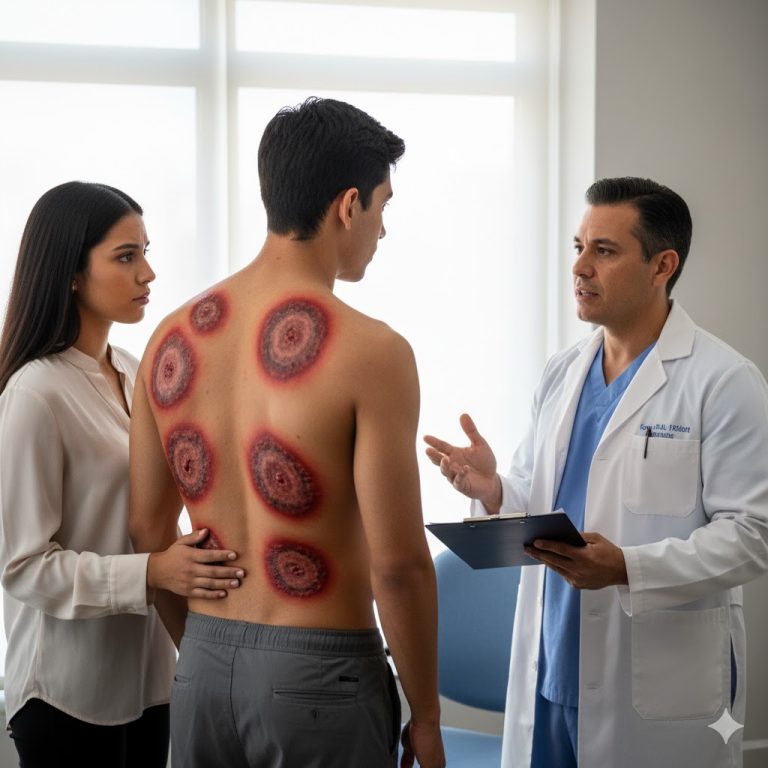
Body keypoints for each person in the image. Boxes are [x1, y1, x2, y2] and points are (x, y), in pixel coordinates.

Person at [128, 97, 445, 768]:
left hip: (204, 670)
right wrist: (428, 716)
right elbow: (399, 565)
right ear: (348, 205)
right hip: (321, 677)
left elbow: (147, 536)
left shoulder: (169, 340)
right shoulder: (373, 351)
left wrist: (210, 654)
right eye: (384, 207)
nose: (383, 231)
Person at [425, 176, 768, 768]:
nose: (580, 266)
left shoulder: (724, 381)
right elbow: (539, 502)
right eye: (578, 246)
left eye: (604, 251)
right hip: (552, 665)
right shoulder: (563, 372)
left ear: (663, 266)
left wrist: (628, 568)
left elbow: (753, 536)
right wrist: (494, 489)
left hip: (655, 681)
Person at [0, 181, 246, 768]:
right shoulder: (36, 393)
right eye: (126, 256)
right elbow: (22, 566)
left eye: (146, 251)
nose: (149, 274)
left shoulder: (135, 373)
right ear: (72, 274)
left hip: (150, 681)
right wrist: (153, 571)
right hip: (68, 693)